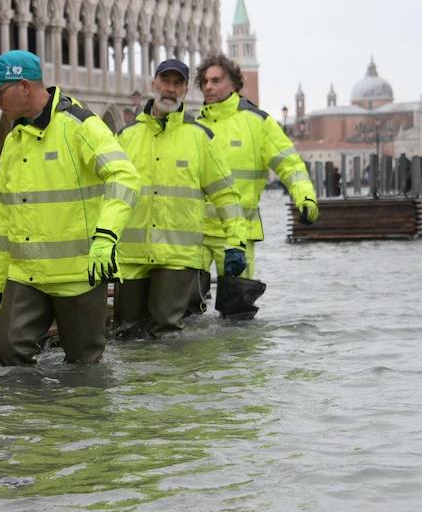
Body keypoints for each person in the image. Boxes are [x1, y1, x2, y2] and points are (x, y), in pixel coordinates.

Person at [0, 50, 141, 364]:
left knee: (84, 364)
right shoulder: (13, 141)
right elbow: (7, 220)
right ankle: (31, 414)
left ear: (25, 86)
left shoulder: (80, 125)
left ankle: (76, 414)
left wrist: (106, 238)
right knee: (10, 353)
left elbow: (124, 175)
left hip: (78, 274)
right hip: (26, 276)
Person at [114, 59, 246, 337]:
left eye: (178, 84)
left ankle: (172, 381)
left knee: (165, 330)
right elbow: (104, 194)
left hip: (177, 257)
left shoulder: (200, 138)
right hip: (131, 256)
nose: (170, 89)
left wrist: (236, 242)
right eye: (165, 82)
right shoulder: (125, 137)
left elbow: (226, 194)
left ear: (186, 90)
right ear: (153, 84)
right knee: (126, 332)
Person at [193, 53, 317, 317]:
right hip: (196, 234)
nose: (209, 87)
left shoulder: (258, 123)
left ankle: (242, 359)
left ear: (235, 83)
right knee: (188, 313)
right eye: (204, 81)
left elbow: (289, 163)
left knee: (238, 315)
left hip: (238, 235)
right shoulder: (194, 126)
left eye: (216, 80)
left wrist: (305, 198)